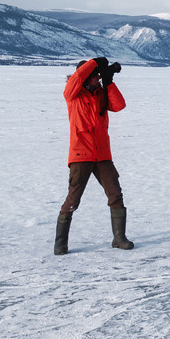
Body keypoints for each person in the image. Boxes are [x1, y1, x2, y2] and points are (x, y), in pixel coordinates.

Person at [55, 56, 133, 254]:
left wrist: (109, 83)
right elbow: (78, 76)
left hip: (102, 154)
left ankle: (119, 238)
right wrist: (94, 61)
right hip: (81, 154)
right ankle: (60, 243)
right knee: (73, 200)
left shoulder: (100, 93)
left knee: (115, 194)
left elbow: (119, 105)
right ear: (85, 77)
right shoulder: (73, 94)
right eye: (96, 76)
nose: (98, 78)